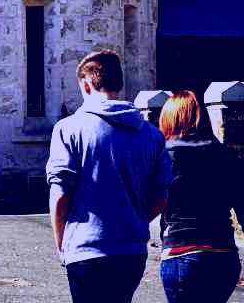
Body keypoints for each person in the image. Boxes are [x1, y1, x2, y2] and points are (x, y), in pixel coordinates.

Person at [46, 49, 172, 303]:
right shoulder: (151, 134)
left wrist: (62, 240)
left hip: (86, 249)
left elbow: (60, 195)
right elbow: (162, 195)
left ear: (86, 83)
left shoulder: (68, 129)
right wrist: (135, 219)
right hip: (131, 251)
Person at [157, 90, 244, 303]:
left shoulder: (163, 158)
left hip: (181, 251)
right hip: (223, 254)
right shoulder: (227, 156)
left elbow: (151, 203)